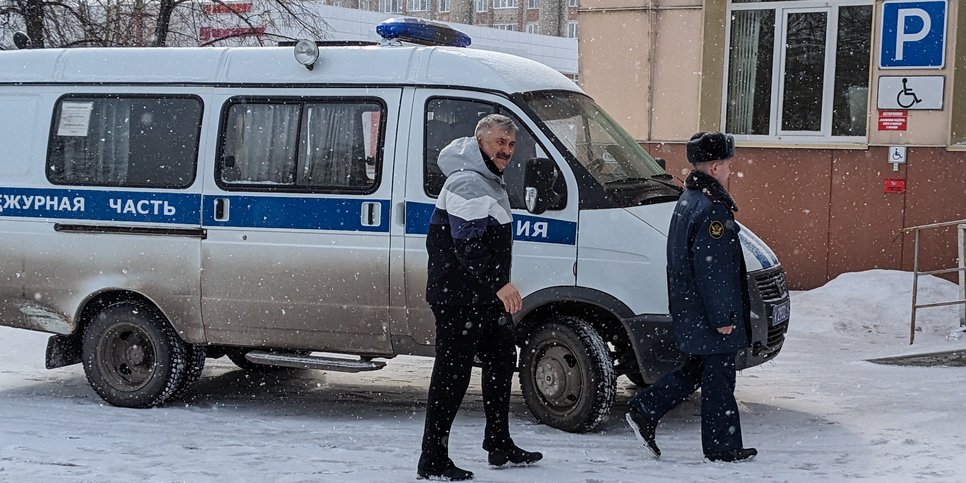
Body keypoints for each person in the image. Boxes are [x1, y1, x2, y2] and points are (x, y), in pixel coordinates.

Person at [417, 114, 543, 481]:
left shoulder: (488, 179)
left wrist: (493, 287)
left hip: (481, 295)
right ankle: (433, 458)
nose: (506, 150)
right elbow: (467, 244)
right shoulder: (468, 182)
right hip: (458, 297)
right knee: (451, 375)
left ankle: (498, 443)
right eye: (499, 142)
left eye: (510, 144)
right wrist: (501, 284)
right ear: (479, 142)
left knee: (503, 359)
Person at [625, 131, 758, 463]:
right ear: (714, 168)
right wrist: (723, 318)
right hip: (709, 312)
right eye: (727, 165)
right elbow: (714, 273)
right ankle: (722, 448)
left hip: (692, 308)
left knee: (696, 370)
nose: (730, 171)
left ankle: (645, 409)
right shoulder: (712, 209)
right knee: (719, 379)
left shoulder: (689, 199)